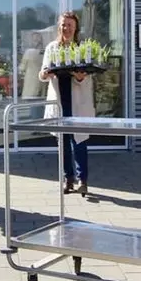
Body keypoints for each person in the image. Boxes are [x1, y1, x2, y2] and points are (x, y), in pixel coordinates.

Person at [39, 11, 95, 195]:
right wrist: (45, 74)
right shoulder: (52, 47)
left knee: (79, 142)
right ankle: (68, 179)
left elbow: (87, 77)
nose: (66, 28)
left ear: (76, 27)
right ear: (59, 26)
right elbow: (42, 74)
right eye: (64, 24)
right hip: (59, 100)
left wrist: (80, 77)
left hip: (77, 100)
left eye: (70, 25)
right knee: (62, 142)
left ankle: (83, 180)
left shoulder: (82, 47)